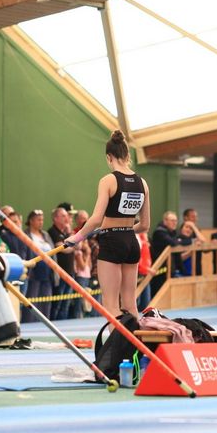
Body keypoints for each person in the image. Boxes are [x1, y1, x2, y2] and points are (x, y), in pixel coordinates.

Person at [66, 130, 151, 319]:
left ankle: (116, 340)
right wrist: (125, 230)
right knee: (130, 305)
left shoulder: (108, 181)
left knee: (111, 305)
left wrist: (77, 237)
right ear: (127, 155)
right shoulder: (143, 183)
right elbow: (145, 225)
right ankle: (132, 340)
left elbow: (96, 218)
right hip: (131, 242)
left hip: (112, 241)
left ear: (108, 157)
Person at [23, 209, 56, 321]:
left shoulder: (45, 235)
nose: (41, 222)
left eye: (42, 220)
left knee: (46, 301)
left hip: (47, 273)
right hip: (33, 274)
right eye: (38, 220)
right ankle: (29, 323)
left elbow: (53, 251)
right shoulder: (26, 235)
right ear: (31, 221)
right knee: (32, 301)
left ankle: (45, 322)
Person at [48, 207, 76, 320]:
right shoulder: (52, 231)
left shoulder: (66, 232)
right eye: (63, 216)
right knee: (57, 303)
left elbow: (76, 244)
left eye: (67, 216)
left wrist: (69, 233)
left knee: (66, 303)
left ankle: (63, 324)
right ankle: (54, 322)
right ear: (56, 218)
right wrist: (73, 246)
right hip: (59, 273)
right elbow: (63, 249)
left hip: (70, 272)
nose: (67, 218)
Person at [149, 211, 181, 296]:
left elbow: (180, 241)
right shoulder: (159, 232)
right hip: (159, 270)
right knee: (158, 294)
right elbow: (174, 243)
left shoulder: (173, 232)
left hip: (169, 269)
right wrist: (179, 241)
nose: (174, 223)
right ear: (165, 221)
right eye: (172, 220)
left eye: (176, 220)